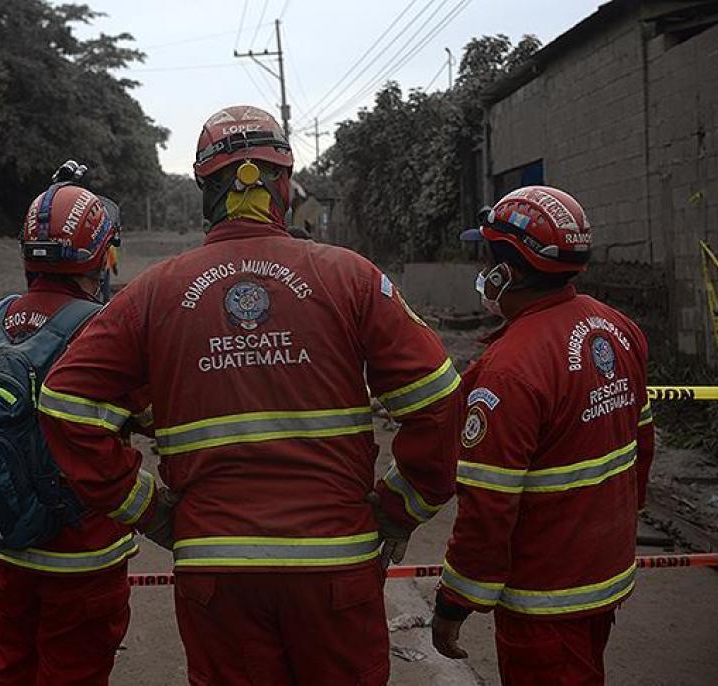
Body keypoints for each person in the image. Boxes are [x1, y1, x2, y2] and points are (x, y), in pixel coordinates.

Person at [38, 105, 463, 686]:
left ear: (204, 190)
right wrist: (396, 509)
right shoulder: (351, 277)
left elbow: (64, 403)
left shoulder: (154, 291)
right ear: (283, 184)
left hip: (217, 573)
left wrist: (151, 512)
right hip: (335, 567)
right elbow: (439, 405)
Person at [0, 163, 138, 686]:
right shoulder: (106, 328)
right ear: (102, 255)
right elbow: (150, 416)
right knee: (74, 670)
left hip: (8, 543)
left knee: (11, 659)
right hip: (85, 552)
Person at [431, 186, 655, 685]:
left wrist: (454, 602)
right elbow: (642, 447)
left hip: (545, 599)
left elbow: (487, 507)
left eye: (487, 258)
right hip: (604, 577)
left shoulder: (509, 370)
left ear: (505, 273)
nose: (482, 271)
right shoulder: (617, 329)